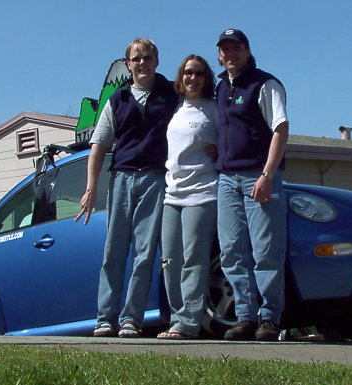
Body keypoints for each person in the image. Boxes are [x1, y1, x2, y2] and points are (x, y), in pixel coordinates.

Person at [75, 38, 178, 338]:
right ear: (128, 64)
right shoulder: (117, 100)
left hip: (156, 178)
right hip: (121, 178)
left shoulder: (171, 94)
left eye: (148, 57)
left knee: (145, 254)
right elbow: (99, 146)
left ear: (157, 61)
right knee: (114, 253)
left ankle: (131, 318)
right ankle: (105, 318)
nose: (142, 63)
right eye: (136, 58)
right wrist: (91, 188)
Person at [214, 29, 289, 341]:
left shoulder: (265, 83)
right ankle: (244, 317)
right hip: (226, 179)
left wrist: (267, 175)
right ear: (219, 54)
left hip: (258, 178)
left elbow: (280, 129)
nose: (230, 54)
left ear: (247, 51)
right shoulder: (220, 87)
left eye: (236, 48)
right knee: (232, 251)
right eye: (225, 49)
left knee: (266, 252)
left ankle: (269, 318)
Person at [156, 55, 218, 340]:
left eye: (199, 74)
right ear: (180, 77)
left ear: (206, 79)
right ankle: (177, 317)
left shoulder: (215, 110)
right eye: (188, 73)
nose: (192, 78)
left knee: (194, 259)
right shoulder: (177, 108)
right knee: (170, 259)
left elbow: (233, 139)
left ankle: (190, 323)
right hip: (173, 194)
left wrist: (223, 151)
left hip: (203, 192)